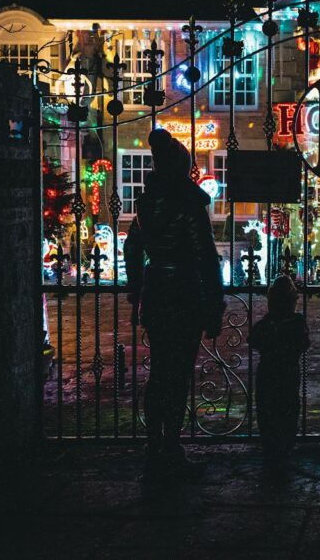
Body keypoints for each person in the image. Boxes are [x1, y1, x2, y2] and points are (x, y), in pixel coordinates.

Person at [125, 128, 224, 469]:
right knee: (178, 374)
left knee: (159, 373)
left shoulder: (146, 206)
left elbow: (132, 249)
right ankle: (171, 446)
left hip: (156, 292)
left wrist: (136, 289)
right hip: (184, 292)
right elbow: (205, 256)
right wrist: (214, 304)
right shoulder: (189, 205)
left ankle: (154, 445)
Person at [249, 276, 310, 466]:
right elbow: (304, 343)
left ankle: (271, 446)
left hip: (267, 370)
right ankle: (285, 446)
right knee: (288, 407)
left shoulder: (267, 323)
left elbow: (253, 339)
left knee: (267, 408)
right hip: (289, 371)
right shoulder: (297, 321)